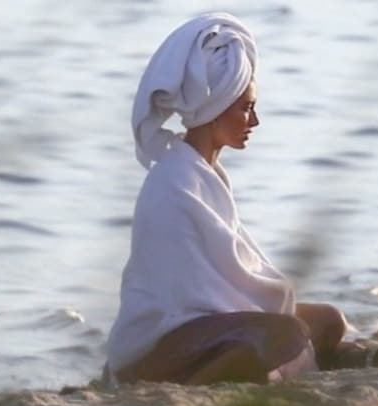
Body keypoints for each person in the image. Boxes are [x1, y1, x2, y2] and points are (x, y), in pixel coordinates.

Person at [105, 13, 348, 385]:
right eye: (246, 108)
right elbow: (185, 301)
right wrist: (269, 321)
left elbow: (224, 284)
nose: (255, 121)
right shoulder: (173, 183)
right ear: (214, 112)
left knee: (328, 321)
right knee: (285, 335)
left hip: (206, 329)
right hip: (157, 346)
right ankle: (200, 383)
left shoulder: (206, 174)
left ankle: (256, 367)